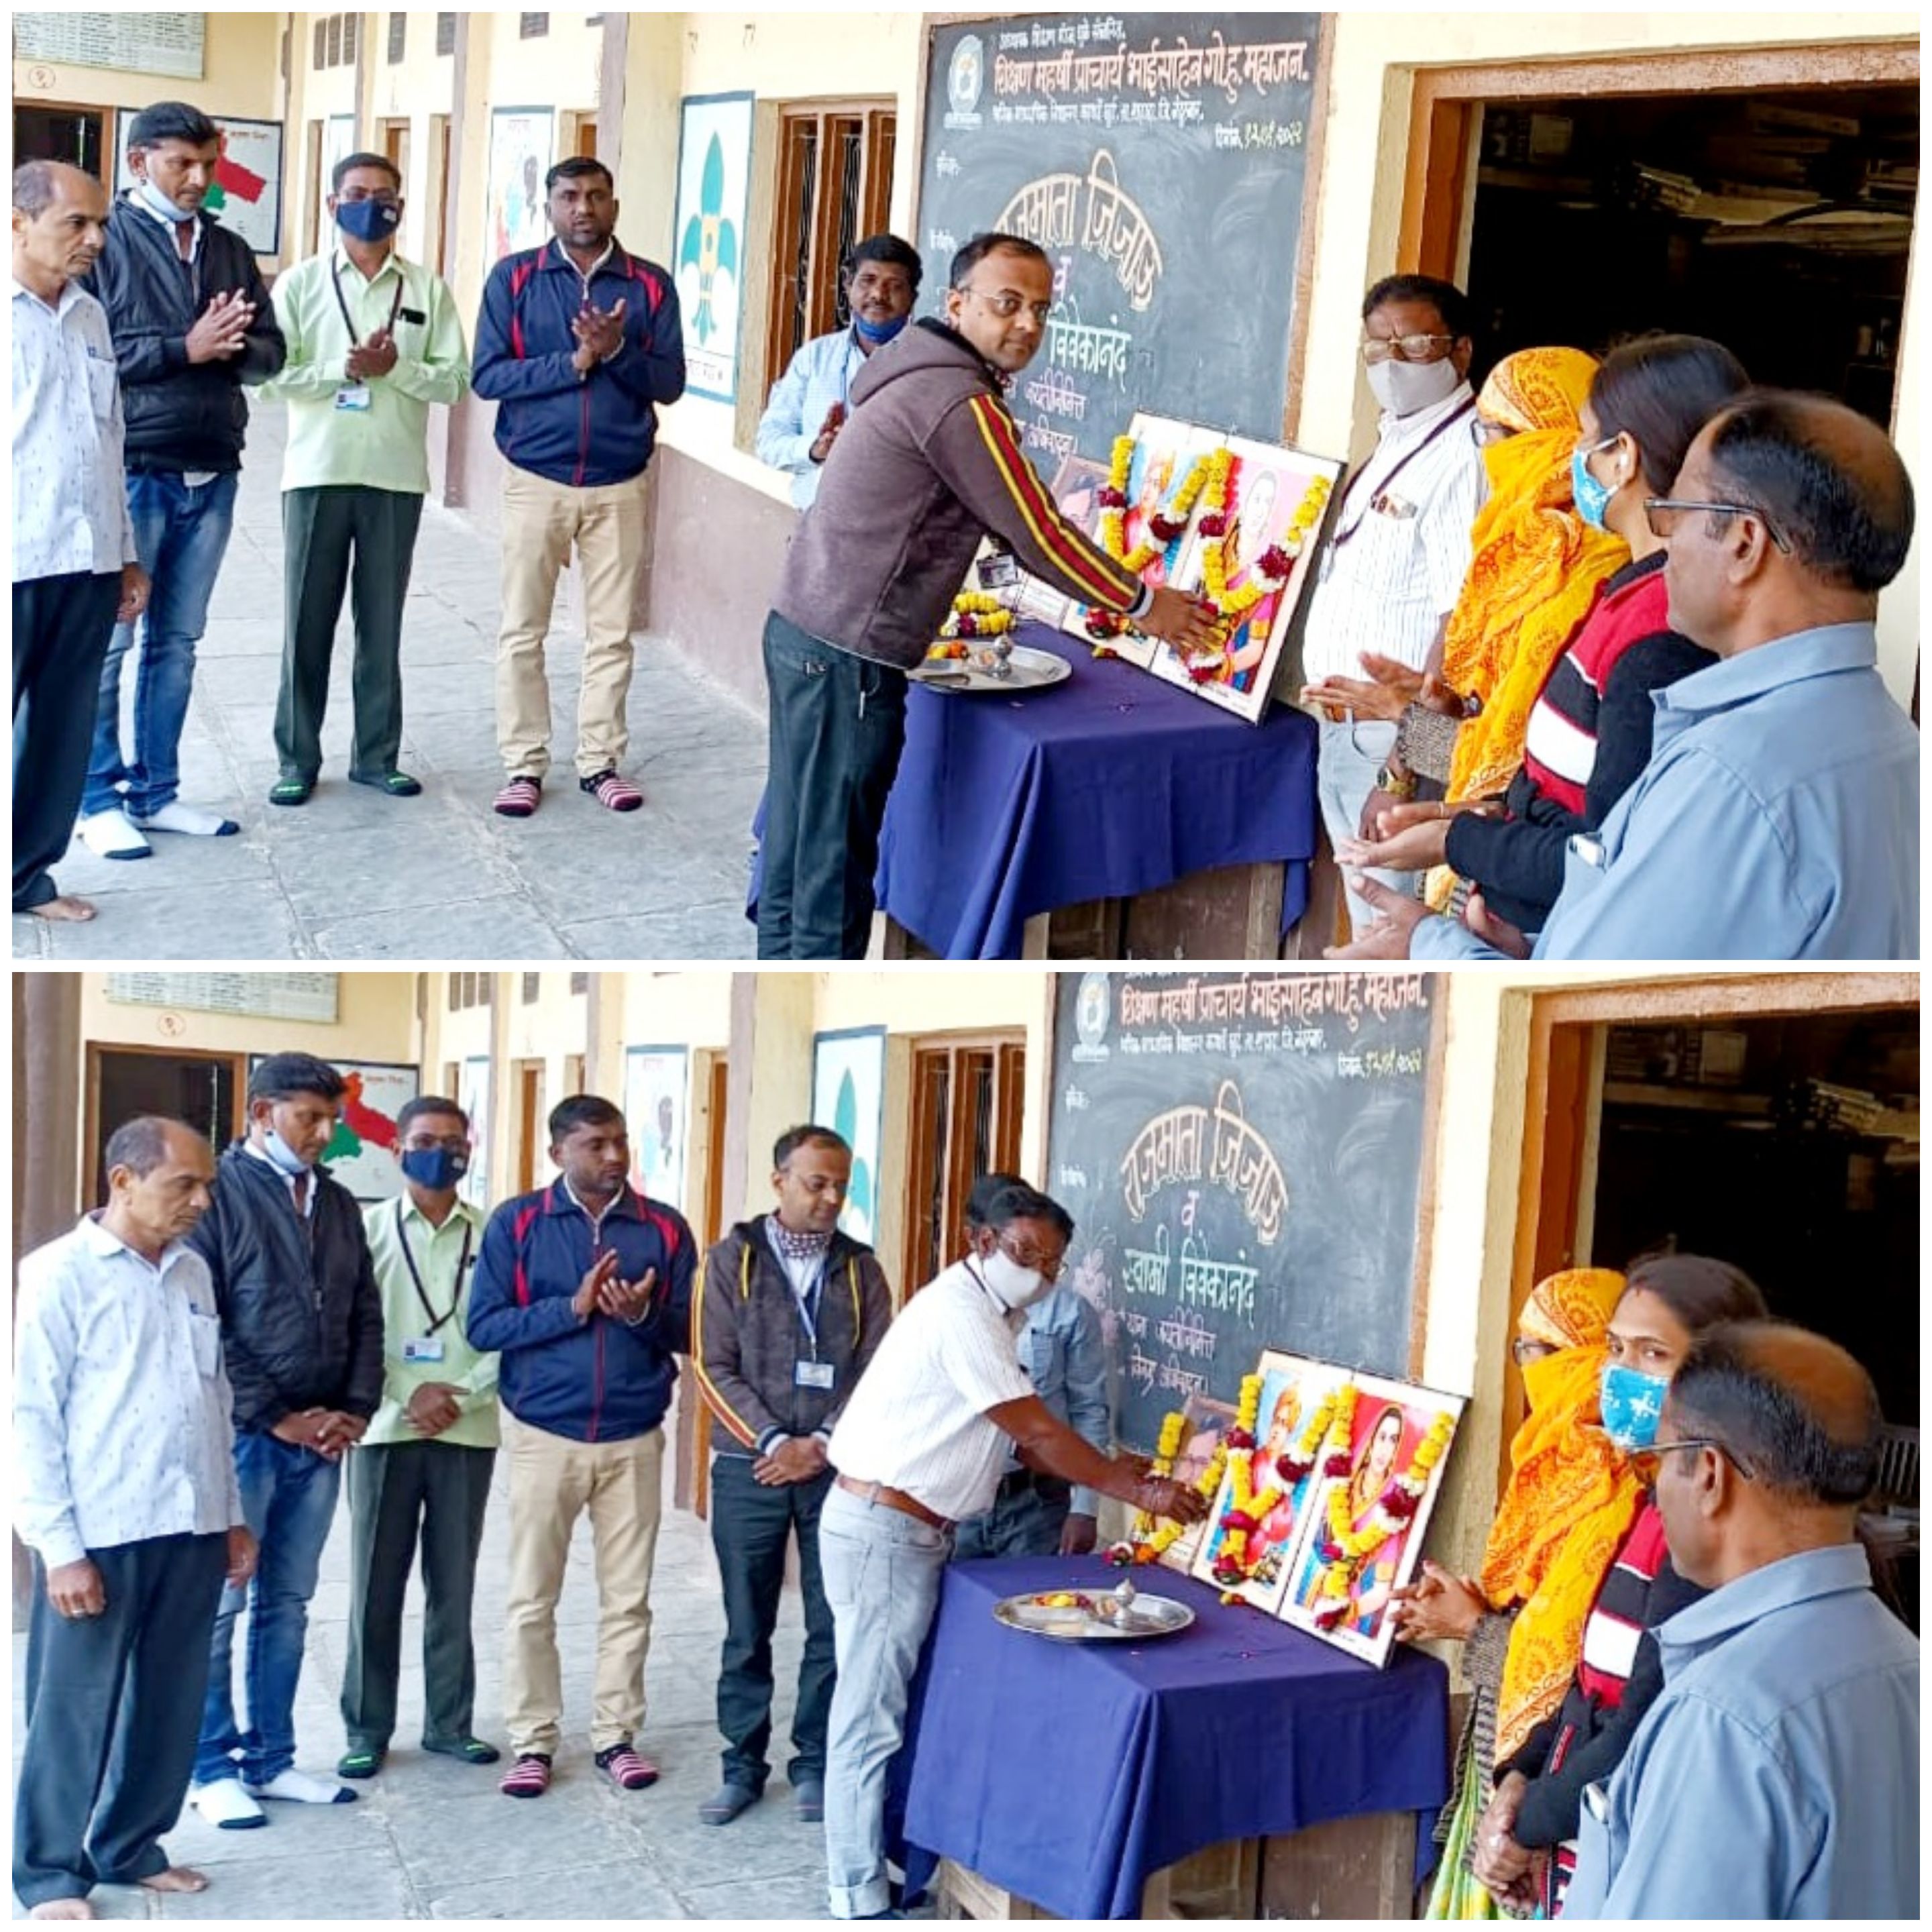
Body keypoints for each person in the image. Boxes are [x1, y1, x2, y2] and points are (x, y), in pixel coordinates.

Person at [758, 231, 1219, 960]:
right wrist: (1144, 605)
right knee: (829, 873)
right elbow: (1039, 533)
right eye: (1007, 304)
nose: (1027, 324)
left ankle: (783, 973)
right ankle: (813, 981)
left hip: (806, 629)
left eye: (1041, 309)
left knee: (798, 848)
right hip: (847, 653)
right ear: (957, 304)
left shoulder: (920, 372)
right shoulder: (957, 401)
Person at [1373, 389, 1919, 961]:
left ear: (1744, 544)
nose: (1669, 538)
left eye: (1679, 512)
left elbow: (1595, 991)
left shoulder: (1726, 776)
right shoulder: (1897, 743)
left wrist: (1426, 942)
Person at [818, 1180, 1210, 1920]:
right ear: (983, 1242)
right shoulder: (961, 1313)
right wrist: (1140, 1493)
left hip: (906, 1528)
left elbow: (1026, 1447)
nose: (1040, 1273)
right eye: (1026, 1254)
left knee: (886, 1706)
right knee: (870, 1715)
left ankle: (871, 1871)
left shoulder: (997, 1317)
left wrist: (1117, 1470)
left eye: (1053, 1262)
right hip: (884, 1530)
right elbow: (1034, 1430)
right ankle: (856, 1894)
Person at [1335, 336, 1748, 945]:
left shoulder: (1611, 592)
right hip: (1490, 856)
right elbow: (1519, 747)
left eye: (1507, 438)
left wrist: (1417, 776)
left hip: (1537, 913)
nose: (1493, 458)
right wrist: (1426, 767)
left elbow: (1604, 847)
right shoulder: (1532, 562)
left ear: (1622, 455)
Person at [1563, 1322, 1917, 1921]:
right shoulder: (1904, 1660)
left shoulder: (1723, 1719)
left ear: (1709, 1474)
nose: (1656, 1492)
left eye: (1659, 1460)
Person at [1470, 1256, 1768, 1918]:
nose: (1619, 1374)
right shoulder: (1642, 1503)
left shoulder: (1709, 1538)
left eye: (1652, 1353)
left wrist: (1522, 1826)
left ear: (1723, 1375)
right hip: (1576, 1838)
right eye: (1614, 1348)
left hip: (1637, 1859)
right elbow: (1583, 1681)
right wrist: (1517, 1778)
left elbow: (1644, 1726)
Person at [13, 1119, 256, 1920]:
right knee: (75, 1708)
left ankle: (130, 1847)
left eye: (206, 1186)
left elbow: (213, 1399)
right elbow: (31, 1417)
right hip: (101, 1532)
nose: (200, 1202)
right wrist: (59, 1549)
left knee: (170, 1701)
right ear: (123, 1181)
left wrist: (231, 1515)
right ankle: (50, 1874)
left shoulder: (192, 1271)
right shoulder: (58, 1274)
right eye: (183, 1185)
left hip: (191, 1525)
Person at [1305, 347, 1624, 888]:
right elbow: (1474, 729)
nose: (1490, 453)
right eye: (1485, 433)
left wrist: (1402, 761)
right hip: (1470, 824)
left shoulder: (1599, 570)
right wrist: (1417, 731)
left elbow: (1526, 754)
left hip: (1540, 849)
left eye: (1503, 434)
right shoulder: (1504, 550)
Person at [465, 1094, 696, 1800]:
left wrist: (643, 1315)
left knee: (628, 1600)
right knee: (531, 1599)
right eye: (596, 1144)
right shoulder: (518, 1223)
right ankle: (533, 1741)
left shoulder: (664, 1227)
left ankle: (615, 1737)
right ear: (558, 1152)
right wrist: (572, 1308)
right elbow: (485, 1326)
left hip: (634, 1437)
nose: (615, 1155)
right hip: (545, 1436)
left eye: (620, 1141)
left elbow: (693, 1332)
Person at [76, 101, 284, 861]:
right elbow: (90, 355)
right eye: (181, 164)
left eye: (207, 164)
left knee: (179, 642)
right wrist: (183, 347)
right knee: (111, 644)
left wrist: (232, 348)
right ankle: (96, 800)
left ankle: (156, 792)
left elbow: (272, 354)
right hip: (135, 470)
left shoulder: (228, 248)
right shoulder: (103, 242)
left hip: (213, 467)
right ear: (140, 163)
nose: (198, 178)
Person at [1387, 1268, 1630, 1921]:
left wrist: (1474, 1628)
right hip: (1504, 1768)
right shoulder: (1547, 1465)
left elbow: (1584, 1669)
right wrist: (1465, 1608)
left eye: (1539, 1350)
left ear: (1588, 1357)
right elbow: (1531, 1606)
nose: (1527, 1368)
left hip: (1556, 1790)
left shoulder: (1623, 1490)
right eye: (1522, 1349)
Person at [186, 1053, 386, 1828]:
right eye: (310, 1118)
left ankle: (271, 1760)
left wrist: (355, 1409)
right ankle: (211, 1767)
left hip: (322, 1440)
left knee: (289, 1605)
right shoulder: (217, 1196)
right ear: (262, 1114)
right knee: (222, 1606)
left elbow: (364, 1311)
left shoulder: (335, 1202)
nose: (325, 1133)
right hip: (245, 1438)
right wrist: (276, 1416)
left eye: (332, 1119)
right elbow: (206, 1323)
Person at [691, 1126, 894, 1829]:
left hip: (835, 1469)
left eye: (842, 1185)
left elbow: (877, 1372)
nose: (831, 1198)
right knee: (746, 1625)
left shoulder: (862, 1270)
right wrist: (776, 1441)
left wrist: (824, 1443)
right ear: (780, 1180)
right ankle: (741, 1766)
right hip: (750, 1466)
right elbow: (711, 1366)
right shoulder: (730, 1260)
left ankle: (814, 1763)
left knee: (831, 1621)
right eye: (817, 1183)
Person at [472, 156, 686, 820]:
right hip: (536, 478)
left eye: (596, 196)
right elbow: (488, 376)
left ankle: (600, 762)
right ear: (550, 209)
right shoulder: (515, 278)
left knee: (612, 634)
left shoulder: (650, 285)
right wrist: (573, 362)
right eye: (569, 197)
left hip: (619, 482)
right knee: (522, 630)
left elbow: (670, 384)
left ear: (614, 206)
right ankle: (524, 763)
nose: (583, 208)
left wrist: (618, 352)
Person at [258, 150, 470, 807]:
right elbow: (267, 379)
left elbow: (455, 380)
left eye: (384, 195)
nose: (371, 205)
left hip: (394, 478)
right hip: (317, 474)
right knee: (306, 623)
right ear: (332, 205)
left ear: (400, 207)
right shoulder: (300, 284)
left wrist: (394, 370)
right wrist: (341, 371)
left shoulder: (427, 289)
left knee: (382, 625)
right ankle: (297, 759)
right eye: (356, 193)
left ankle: (377, 758)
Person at [1293, 273, 1487, 932]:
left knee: (1391, 931)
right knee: (1369, 918)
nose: (1393, 363)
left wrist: (1404, 771)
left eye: (1415, 345)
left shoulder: (1463, 455)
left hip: (1391, 744)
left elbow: (1460, 624)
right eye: (1379, 348)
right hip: (1344, 732)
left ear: (1460, 350)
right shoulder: (1398, 437)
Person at [337, 1097, 499, 1780]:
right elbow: (350, 1328)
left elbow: (511, 1327)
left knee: (454, 1584)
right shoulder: (365, 1230)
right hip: (384, 1428)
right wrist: (408, 1393)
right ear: (398, 1149)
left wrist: (462, 1391)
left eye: (454, 1141)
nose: (442, 1152)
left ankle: (450, 1725)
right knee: (374, 1585)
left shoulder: (494, 1234)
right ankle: (367, 1727)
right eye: (426, 1140)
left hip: (468, 1427)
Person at [12, 160, 150, 924]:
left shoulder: (91, 315)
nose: (95, 238)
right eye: (77, 223)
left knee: (60, 736)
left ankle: (26, 879)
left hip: (86, 561)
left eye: (100, 223)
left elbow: (110, 438)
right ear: (19, 224)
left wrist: (124, 554)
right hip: (15, 558)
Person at [953, 1172, 1112, 1562]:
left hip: (1036, 1503)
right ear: (979, 1239)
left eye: (1043, 1254)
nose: (1030, 1265)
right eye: (1018, 1250)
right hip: (960, 1498)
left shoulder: (1069, 1313)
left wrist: (1085, 1507)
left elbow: (1089, 1408)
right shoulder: (953, 1310)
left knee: (1033, 1597)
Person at [755, 234, 922, 508]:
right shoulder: (814, 358)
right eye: (868, 281)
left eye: (894, 286)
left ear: (913, 297)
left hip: (896, 526)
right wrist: (816, 449)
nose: (878, 295)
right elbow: (769, 440)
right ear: (848, 285)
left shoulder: (928, 366)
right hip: (817, 522)